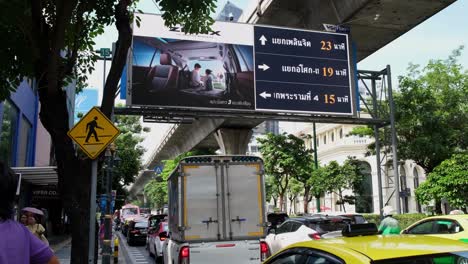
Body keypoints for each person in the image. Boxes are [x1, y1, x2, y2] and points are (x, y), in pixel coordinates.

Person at [0, 160, 59, 264]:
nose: (28, 218)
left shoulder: (33, 228)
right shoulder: (21, 231)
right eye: (26, 216)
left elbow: (42, 234)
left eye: (31, 216)